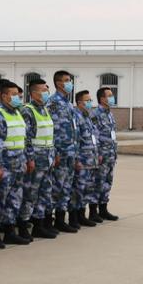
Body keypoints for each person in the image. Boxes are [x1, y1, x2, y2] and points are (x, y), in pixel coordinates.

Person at [49, 70, 94, 230]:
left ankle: (61, 221)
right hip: (60, 154)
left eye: (70, 80)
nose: (70, 83)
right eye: (67, 80)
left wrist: (75, 154)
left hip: (71, 154)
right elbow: (51, 130)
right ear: (59, 83)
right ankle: (48, 222)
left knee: (66, 189)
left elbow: (74, 131)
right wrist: (55, 153)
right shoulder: (53, 103)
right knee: (56, 189)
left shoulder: (68, 104)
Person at [21, 79, 61, 238]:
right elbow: (27, 138)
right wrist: (30, 158)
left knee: (45, 193)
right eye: (44, 90)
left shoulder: (45, 110)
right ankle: (24, 225)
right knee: (31, 194)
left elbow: (51, 134)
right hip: (36, 160)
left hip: (48, 158)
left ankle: (40, 224)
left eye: (47, 90)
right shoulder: (27, 111)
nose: (47, 93)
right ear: (33, 93)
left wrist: (55, 153)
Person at [0, 83, 31, 246]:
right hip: (6, 165)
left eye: (18, 95)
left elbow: (23, 139)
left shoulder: (17, 113)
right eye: (14, 94)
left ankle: (9, 231)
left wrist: (26, 159)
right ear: (3, 96)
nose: (18, 98)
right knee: (0, 200)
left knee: (15, 199)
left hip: (18, 163)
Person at [70, 90, 101, 226]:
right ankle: (74, 217)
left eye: (90, 100)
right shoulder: (76, 117)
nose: (89, 103)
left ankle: (82, 215)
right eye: (87, 101)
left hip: (91, 159)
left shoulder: (88, 116)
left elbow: (94, 137)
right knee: (78, 189)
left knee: (87, 189)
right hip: (82, 160)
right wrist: (76, 159)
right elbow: (75, 140)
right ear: (79, 103)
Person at [91, 87, 120, 221]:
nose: (112, 97)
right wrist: (97, 154)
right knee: (98, 183)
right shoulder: (95, 114)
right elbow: (94, 137)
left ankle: (103, 209)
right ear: (102, 99)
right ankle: (93, 212)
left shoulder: (109, 113)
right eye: (109, 95)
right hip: (101, 156)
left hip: (111, 155)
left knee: (107, 183)